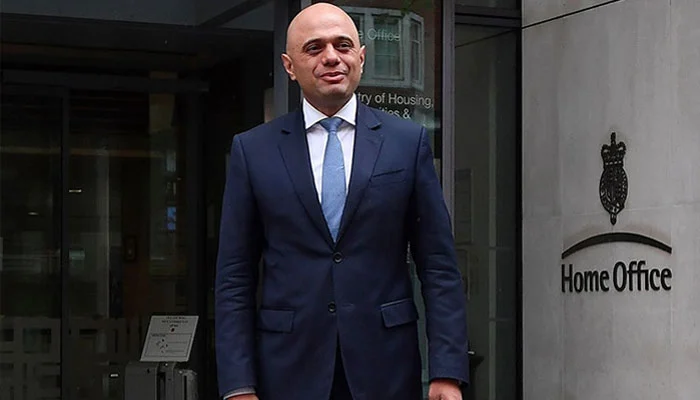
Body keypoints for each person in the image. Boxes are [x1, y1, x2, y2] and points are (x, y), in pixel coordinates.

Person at [215, 3, 469, 399]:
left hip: (386, 369)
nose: (331, 57)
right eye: (314, 48)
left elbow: (438, 266)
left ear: (361, 58)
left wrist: (447, 372)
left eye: (343, 45)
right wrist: (238, 385)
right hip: (287, 371)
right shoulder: (254, 151)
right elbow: (234, 277)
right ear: (289, 66)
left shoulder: (406, 143)